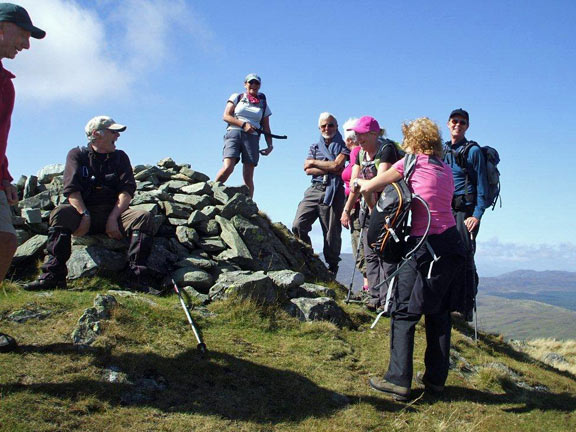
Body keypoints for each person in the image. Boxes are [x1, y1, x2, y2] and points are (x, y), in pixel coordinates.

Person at [355, 117, 465, 401]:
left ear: (412, 142)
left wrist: (358, 182)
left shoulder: (410, 163)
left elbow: (372, 185)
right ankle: (435, 380)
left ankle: (398, 381)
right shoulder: (446, 169)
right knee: (438, 313)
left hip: (422, 245)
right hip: (451, 245)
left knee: (403, 311)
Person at [24, 116, 156, 294]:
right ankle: (53, 276)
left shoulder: (120, 157)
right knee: (61, 213)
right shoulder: (77, 154)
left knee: (143, 217)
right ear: (96, 134)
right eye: (113, 132)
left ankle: (136, 278)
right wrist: (84, 215)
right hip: (83, 213)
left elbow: (127, 191)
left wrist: (113, 218)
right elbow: (71, 190)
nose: (117, 136)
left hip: (114, 214)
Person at [0, 3, 45, 352]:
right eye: (24, 35)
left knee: (6, 241)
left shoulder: (5, 83)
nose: (27, 46)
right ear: (2, 27)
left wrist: (4, 176)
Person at [341, 116, 401, 309]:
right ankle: (374, 299)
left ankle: (388, 300)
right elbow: (355, 183)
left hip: (387, 209)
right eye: (356, 134)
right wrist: (347, 209)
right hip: (368, 209)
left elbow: (381, 181)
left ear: (374, 133)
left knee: (385, 254)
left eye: (361, 134)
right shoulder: (359, 154)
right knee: (370, 254)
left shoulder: (386, 150)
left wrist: (363, 186)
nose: (358, 138)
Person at [443, 108, 488, 321]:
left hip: (466, 212)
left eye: (462, 122)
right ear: (448, 123)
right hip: (446, 210)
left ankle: (464, 307)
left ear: (467, 126)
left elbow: (483, 187)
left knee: (465, 258)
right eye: (454, 121)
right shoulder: (442, 150)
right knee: (447, 256)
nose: (457, 125)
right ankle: (450, 302)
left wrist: (477, 215)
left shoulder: (473, 152)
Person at [292, 112, 349, 275]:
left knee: (331, 232)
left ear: (336, 127)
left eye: (330, 125)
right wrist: (329, 166)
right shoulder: (314, 146)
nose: (327, 128)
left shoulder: (344, 146)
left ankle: (332, 268)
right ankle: (308, 258)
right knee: (298, 225)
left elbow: (338, 166)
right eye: (323, 125)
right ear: (319, 128)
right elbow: (308, 170)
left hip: (334, 190)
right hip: (315, 188)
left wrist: (314, 162)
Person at [214, 73, 273, 197]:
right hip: (234, 133)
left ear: (260, 85)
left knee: (248, 176)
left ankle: (249, 206)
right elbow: (226, 116)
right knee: (228, 167)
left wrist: (270, 145)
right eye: (251, 82)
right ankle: (211, 191)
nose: (254, 85)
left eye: (257, 83)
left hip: (253, 137)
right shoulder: (237, 97)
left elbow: (266, 126)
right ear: (245, 84)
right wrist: (243, 124)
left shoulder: (263, 104)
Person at [339, 118, 368, 292]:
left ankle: (368, 289)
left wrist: (346, 210)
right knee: (361, 244)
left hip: (358, 205)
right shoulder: (358, 152)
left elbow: (356, 185)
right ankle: (369, 288)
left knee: (360, 245)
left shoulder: (356, 152)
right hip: (358, 204)